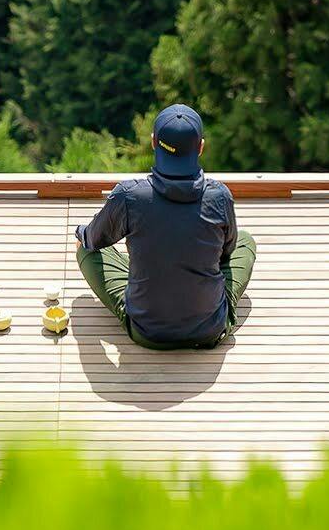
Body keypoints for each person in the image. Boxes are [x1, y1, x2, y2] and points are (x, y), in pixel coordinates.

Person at [73, 104, 256, 350]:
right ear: (200, 147)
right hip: (209, 328)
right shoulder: (220, 196)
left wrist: (82, 234)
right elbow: (227, 251)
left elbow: (93, 239)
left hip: (147, 331)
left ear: (153, 142)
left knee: (86, 247)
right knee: (245, 241)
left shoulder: (129, 196)